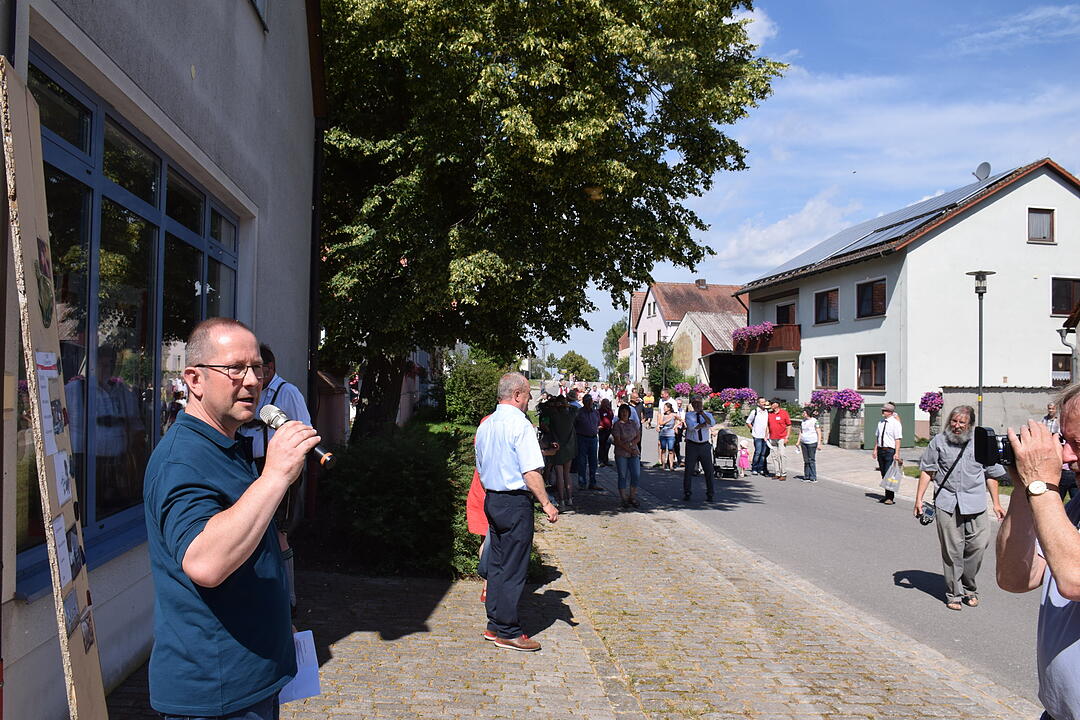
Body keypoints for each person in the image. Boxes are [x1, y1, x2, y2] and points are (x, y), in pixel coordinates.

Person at [143, 318, 320, 718]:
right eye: (235, 368)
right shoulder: (182, 459)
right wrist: (275, 476)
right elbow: (205, 562)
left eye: (257, 368)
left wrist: (276, 624)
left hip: (252, 675)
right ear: (194, 379)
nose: (253, 380)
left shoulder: (227, 443)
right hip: (217, 692)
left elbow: (248, 535)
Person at [997, 384, 1080, 720]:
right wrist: (1022, 487)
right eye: (1066, 441)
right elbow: (1015, 577)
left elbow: (1074, 580)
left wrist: (1042, 486)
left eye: (1079, 444)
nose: (1067, 456)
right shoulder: (1075, 508)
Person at [476, 373, 558, 651]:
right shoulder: (519, 425)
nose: (529, 400)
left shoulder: (487, 425)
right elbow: (531, 471)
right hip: (514, 502)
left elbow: (481, 464)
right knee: (513, 568)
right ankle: (508, 631)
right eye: (527, 395)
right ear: (518, 395)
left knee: (498, 566)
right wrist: (546, 503)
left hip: (493, 499)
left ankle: (494, 624)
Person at [238, 343, 310, 615]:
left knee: (279, 532)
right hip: (250, 467)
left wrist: (291, 470)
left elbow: (305, 429)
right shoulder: (252, 393)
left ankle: (288, 598)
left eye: (259, 370)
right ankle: (263, 593)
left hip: (279, 468)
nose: (255, 377)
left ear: (272, 368)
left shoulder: (287, 391)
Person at [914, 406, 1005, 611]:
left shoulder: (981, 443)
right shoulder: (938, 442)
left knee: (979, 545)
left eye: (961, 423)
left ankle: (968, 584)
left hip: (975, 502)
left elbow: (991, 474)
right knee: (952, 550)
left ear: (970, 424)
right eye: (954, 421)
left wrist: (996, 503)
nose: (956, 426)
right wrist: (919, 499)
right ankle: (954, 593)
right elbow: (928, 471)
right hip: (947, 502)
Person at [542, 394, 578, 508]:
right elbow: (576, 408)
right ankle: (570, 498)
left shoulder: (554, 415)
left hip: (557, 447)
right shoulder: (570, 416)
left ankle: (561, 500)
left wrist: (553, 404)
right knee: (567, 475)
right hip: (569, 447)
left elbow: (543, 408)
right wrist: (566, 403)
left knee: (559, 475)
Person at [682, 397, 715, 501]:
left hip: (704, 445)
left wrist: (703, 415)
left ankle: (710, 493)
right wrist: (704, 425)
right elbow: (692, 427)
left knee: (708, 470)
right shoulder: (689, 415)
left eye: (699, 403)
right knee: (689, 470)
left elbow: (711, 423)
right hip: (692, 445)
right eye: (695, 403)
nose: (697, 405)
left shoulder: (708, 414)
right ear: (692, 404)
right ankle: (687, 492)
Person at [1044, 401, 1077, 501]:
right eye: (1049, 408)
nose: (1051, 411)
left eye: (1052, 408)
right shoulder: (1044, 420)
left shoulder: (1059, 422)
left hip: (1065, 471)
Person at [612, 404, 642, 508]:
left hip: (634, 452)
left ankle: (632, 496)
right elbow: (617, 441)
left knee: (636, 474)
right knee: (623, 475)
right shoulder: (617, 425)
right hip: (622, 453)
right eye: (622, 411)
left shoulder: (633, 423)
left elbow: (638, 436)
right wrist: (628, 448)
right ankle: (623, 498)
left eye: (626, 411)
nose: (624, 413)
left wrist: (632, 444)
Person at [874, 402, 903, 504]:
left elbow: (897, 439)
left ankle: (890, 498)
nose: (883, 412)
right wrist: (875, 449)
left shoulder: (895, 423)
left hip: (890, 451)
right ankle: (886, 496)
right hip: (881, 450)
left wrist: (897, 453)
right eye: (883, 410)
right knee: (883, 474)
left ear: (890, 412)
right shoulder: (881, 423)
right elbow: (878, 437)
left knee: (889, 474)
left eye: (885, 410)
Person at [574, 394, 600, 490]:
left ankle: (593, 482)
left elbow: (597, 423)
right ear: (584, 402)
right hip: (582, 438)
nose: (589, 403)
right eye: (587, 401)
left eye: (590, 401)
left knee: (593, 462)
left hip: (593, 439)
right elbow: (574, 424)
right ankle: (582, 483)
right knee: (582, 461)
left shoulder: (596, 413)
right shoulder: (579, 412)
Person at [767, 399, 792, 481]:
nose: (771, 405)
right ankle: (777, 473)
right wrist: (766, 435)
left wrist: (787, 437)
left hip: (782, 437)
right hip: (772, 437)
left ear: (777, 404)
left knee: (782, 455)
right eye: (771, 404)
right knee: (774, 456)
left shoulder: (784, 413)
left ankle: (783, 473)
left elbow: (788, 425)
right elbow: (767, 425)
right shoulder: (770, 414)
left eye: (772, 404)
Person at [746, 397, 770, 475]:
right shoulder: (755, 411)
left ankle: (761, 468)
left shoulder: (767, 412)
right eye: (762, 402)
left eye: (764, 402)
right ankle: (754, 468)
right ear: (758, 404)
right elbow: (748, 422)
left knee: (763, 453)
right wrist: (753, 429)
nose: (764, 403)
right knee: (758, 452)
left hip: (766, 436)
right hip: (757, 435)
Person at [799, 408, 823, 483]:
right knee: (806, 460)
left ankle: (813, 477)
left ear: (808, 413)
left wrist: (819, 443)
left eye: (804, 412)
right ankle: (807, 476)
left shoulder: (815, 421)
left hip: (812, 442)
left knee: (811, 459)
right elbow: (801, 431)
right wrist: (798, 441)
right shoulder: (803, 421)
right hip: (804, 442)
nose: (803, 414)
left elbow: (819, 432)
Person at [658, 402, 679, 471]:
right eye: (664, 407)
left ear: (669, 408)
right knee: (663, 450)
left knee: (671, 450)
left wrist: (675, 427)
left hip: (671, 434)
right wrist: (668, 419)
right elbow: (660, 423)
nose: (664, 408)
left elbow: (681, 420)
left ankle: (671, 466)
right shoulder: (662, 415)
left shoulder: (673, 414)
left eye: (665, 407)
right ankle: (663, 465)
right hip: (663, 434)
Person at [597, 398, 615, 467]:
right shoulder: (599, 411)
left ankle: (606, 460)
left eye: (608, 403)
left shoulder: (609, 410)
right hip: (602, 430)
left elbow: (612, 417)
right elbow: (597, 419)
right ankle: (600, 461)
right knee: (602, 445)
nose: (607, 404)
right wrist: (598, 426)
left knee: (607, 445)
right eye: (606, 403)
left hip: (608, 429)